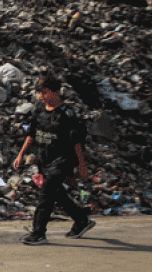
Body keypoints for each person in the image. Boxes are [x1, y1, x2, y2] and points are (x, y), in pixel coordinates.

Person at [12, 74, 93, 246]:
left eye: (44, 92)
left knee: (46, 194)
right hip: (44, 159)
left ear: (56, 92)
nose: (41, 96)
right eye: (39, 92)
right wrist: (21, 154)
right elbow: (32, 135)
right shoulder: (39, 111)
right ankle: (81, 220)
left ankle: (38, 233)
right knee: (57, 194)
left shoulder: (67, 114)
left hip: (63, 160)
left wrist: (82, 166)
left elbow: (77, 142)